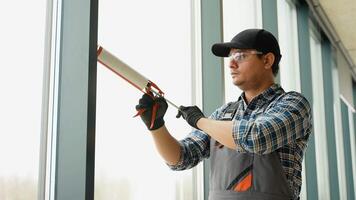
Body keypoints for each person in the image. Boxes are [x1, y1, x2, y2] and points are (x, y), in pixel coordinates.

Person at [136, 28, 312, 200]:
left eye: (240, 56)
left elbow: (257, 137)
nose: (231, 64)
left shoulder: (293, 104)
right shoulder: (223, 114)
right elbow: (182, 157)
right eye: (230, 57)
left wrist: (200, 121)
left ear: (267, 60)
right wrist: (156, 125)